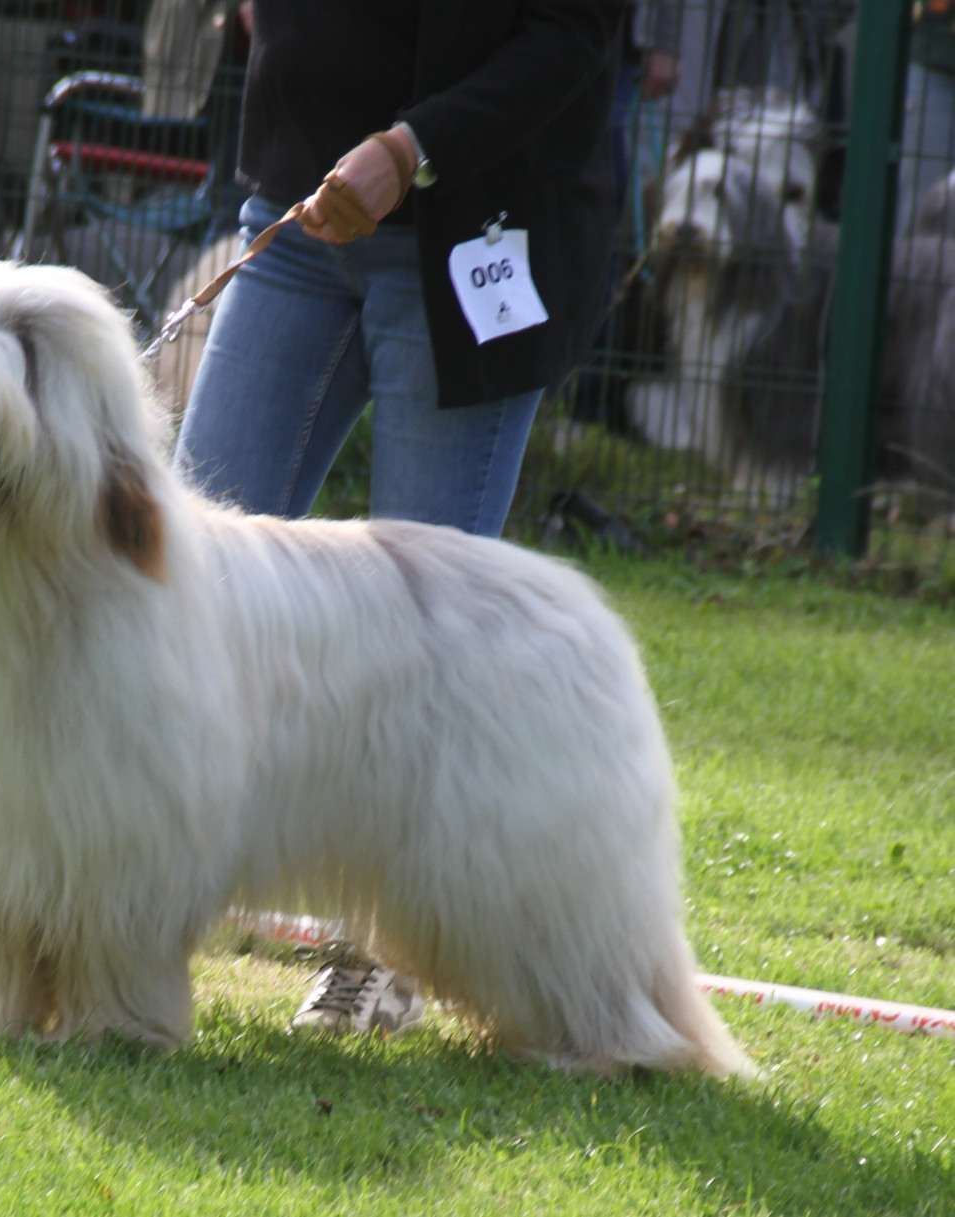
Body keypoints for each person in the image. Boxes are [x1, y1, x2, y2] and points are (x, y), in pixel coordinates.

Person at [171, 0, 627, 1034]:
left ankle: (383, 954)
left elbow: (569, 35)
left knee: (430, 640)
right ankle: (142, 903)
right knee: (178, 587)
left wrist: (406, 150)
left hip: (473, 234)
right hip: (292, 216)